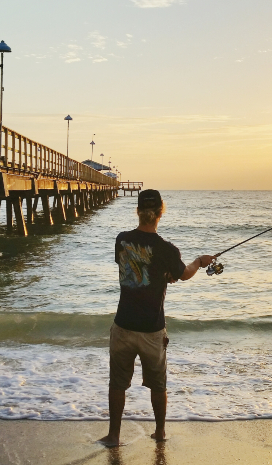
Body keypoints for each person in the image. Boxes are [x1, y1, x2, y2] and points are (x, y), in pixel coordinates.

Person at [97, 189, 215, 447]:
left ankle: (114, 436)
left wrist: (161, 274)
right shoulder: (167, 249)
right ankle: (160, 432)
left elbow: (130, 268)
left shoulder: (122, 240)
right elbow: (183, 274)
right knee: (158, 384)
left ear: (138, 211)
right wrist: (199, 260)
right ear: (161, 211)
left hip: (123, 325)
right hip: (152, 329)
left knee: (118, 383)